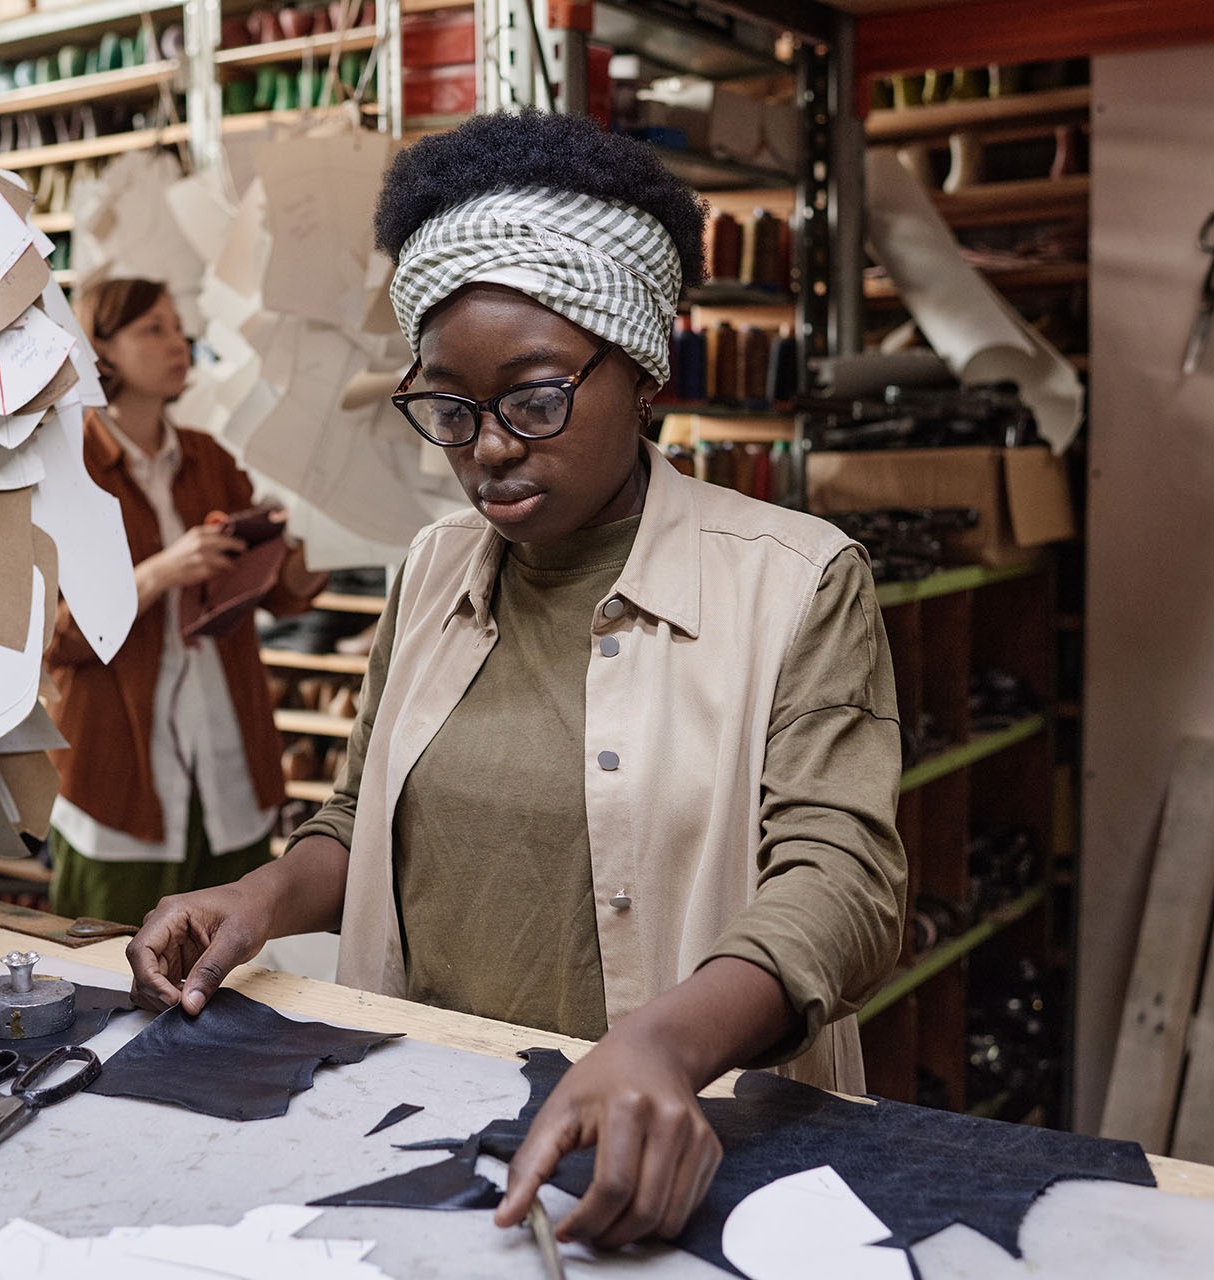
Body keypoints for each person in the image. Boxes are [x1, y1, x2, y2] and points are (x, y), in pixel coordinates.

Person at [127, 114, 906, 1250]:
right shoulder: (435, 568)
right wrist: (261, 897)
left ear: (642, 372)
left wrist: (665, 1044)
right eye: (450, 409)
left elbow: (843, 880)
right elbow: (361, 821)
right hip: (429, 1126)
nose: (487, 448)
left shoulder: (794, 581)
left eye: (535, 399)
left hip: (678, 1144)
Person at [44, 278, 326, 925]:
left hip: (228, 765)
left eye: (179, 328)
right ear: (100, 348)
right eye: (154, 328)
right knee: (107, 962)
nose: (179, 343)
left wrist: (318, 534)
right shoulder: (67, 466)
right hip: (115, 778)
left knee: (232, 965)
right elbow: (51, 637)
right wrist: (161, 573)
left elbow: (283, 596)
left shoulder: (209, 459)